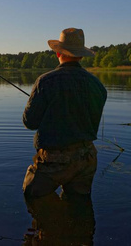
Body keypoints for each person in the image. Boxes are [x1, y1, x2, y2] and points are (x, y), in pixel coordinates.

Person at [22, 28, 107, 199]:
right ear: (81, 56)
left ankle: (49, 223)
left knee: (32, 196)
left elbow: (30, 122)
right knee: (79, 204)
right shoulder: (98, 85)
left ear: (58, 53)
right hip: (87, 159)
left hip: (54, 160)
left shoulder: (45, 81)